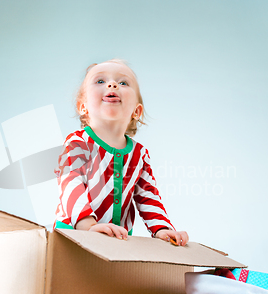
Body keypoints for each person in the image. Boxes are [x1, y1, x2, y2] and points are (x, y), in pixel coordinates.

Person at [54, 59, 189, 246]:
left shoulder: (139, 154)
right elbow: (70, 184)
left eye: (123, 83)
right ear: (82, 106)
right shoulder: (77, 143)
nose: (112, 84)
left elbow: (147, 195)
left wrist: (162, 228)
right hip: (74, 235)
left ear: (136, 110)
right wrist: (87, 225)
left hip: (118, 240)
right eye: (100, 81)